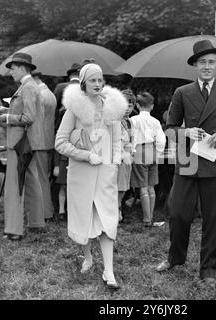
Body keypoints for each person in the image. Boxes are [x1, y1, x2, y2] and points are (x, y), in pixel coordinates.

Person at [156, 40, 216, 287]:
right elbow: (170, 129)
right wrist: (186, 133)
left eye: (211, 62)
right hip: (188, 162)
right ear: (195, 66)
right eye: (202, 63)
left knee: (212, 219)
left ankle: (208, 270)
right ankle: (175, 258)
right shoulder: (182, 93)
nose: (207, 67)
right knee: (178, 213)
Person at [55, 63, 127, 290]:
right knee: (84, 219)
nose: (98, 84)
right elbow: (60, 143)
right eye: (93, 80)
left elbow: (116, 140)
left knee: (108, 220)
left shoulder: (112, 107)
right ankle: (87, 256)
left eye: (100, 80)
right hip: (82, 174)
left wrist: (114, 162)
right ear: (84, 82)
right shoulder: (74, 109)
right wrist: (85, 155)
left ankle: (109, 270)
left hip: (106, 174)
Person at [0, 52, 46, 240]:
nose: (11, 73)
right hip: (27, 143)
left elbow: (28, 118)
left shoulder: (27, 87)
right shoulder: (29, 86)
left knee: (14, 186)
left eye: (12, 69)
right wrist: (7, 110)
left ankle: (14, 230)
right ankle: (36, 222)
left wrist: (7, 118)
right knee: (32, 182)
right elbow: (25, 112)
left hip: (19, 144)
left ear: (21, 68)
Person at [130, 92, 166, 227]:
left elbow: (131, 138)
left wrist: (132, 152)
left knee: (143, 188)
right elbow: (161, 140)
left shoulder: (133, 120)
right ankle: (150, 217)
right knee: (151, 187)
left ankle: (147, 219)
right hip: (152, 152)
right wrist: (158, 154)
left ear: (137, 105)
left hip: (139, 151)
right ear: (152, 106)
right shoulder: (156, 121)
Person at [52, 62, 83, 221]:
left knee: (61, 181)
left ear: (69, 75)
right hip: (81, 137)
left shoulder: (60, 88)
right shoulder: (86, 89)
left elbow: (54, 109)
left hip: (61, 132)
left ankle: (61, 209)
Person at [32, 70, 57, 222]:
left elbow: (35, 119)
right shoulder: (50, 93)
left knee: (41, 179)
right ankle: (46, 210)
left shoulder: (40, 95)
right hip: (48, 141)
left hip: (40, 141)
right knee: (44, 177)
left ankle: (46, 212)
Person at [117, 89, 135, 222]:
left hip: (128, 158)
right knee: (117, 187)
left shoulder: (130, 122)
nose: (128, 109)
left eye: (130, 105)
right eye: (125, 105)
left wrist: (131, 152)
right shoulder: (114, 121)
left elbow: (132, 140)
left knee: (123, 187)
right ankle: (116, 210)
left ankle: (118, 208)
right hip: (117, 158)